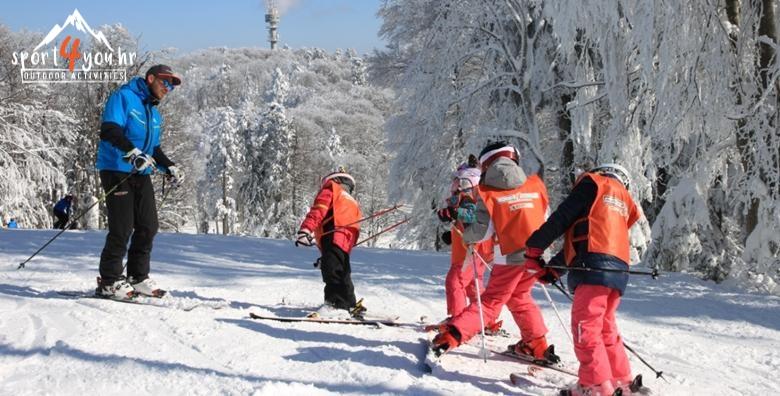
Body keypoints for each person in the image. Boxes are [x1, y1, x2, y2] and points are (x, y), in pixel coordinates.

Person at [432, 141, 558, 363]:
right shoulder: (535, 185)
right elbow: (547, 218)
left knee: (491, 301)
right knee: (519, 296)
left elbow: (481, 232)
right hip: (538, 255)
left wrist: (465, 235)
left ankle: (452, 335)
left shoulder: (488, 192)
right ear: (514, 159)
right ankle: (536, 343)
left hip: (510, 255)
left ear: (485, 166)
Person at [523, 163, 641, 396]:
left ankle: (594, 385)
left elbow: (562, 218)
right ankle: (622, 381)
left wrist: (534, 248)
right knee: (605, 327)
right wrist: (555, 269)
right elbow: (589, 234)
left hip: (592, 268)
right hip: (618, 272)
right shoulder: (624, 201)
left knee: (585, 327)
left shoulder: (594, 183)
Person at [94, 64, 183, 300]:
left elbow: (152, 148)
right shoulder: (123, 97)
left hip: (140, 173)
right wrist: (132, 153)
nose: (167, 89)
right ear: (151, 78)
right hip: (116, 169)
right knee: (122, 227)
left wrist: (169, 167)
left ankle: (137, 276)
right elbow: (109, 131)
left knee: (148, 225)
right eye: (165, 83)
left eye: (171, 87)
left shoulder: (153, 112)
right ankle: (109, 281)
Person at [295, 167, 363, 315]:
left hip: (333, 232)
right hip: (347, 237)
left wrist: (305, 231)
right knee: (343, 270)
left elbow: (318, 210)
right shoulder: (351, 200)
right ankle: (349, 303)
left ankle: (335, 304)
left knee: (331, 269)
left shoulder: (331, 190)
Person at [436, 157, 495, 321]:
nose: (456, 187)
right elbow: (466, 222)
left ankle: (459, 319)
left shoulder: (471, 198)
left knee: (455, 282)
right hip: (473, 250)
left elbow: (474, 215)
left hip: (471, 252)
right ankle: (483, 319)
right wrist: (452, 229)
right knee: (473, 286)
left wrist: (454, 214)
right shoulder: (467, 197)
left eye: (461, 182)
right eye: (456, 183)